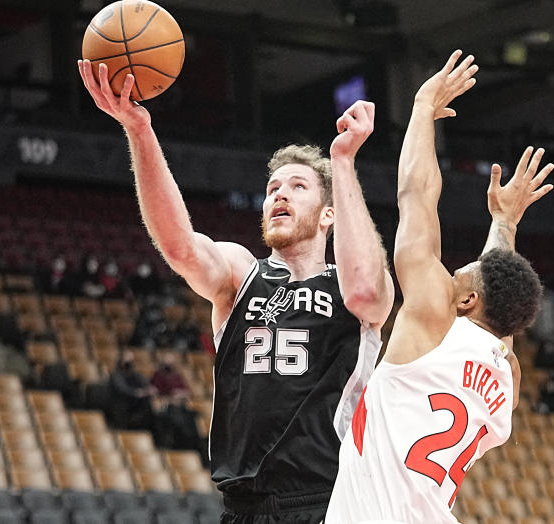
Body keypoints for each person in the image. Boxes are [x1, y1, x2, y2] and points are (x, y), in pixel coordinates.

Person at [79, 59, 394, 523]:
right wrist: (140, 131)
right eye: (272, 188)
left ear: (329, 214)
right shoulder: (241, 274)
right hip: (241, 507)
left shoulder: (348, 289)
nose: (279, 195)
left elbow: (368, 290)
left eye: (298, 186)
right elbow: (180, 248)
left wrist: (342, 162)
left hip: (327, 502)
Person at [326, 51, 552, 523]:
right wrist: (504, 222)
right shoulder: (505, 383)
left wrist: (423, 108)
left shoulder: (434, 322)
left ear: (466, 300)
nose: (446, 276)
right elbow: (501, 312)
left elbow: (417, 197)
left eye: (457, 276)